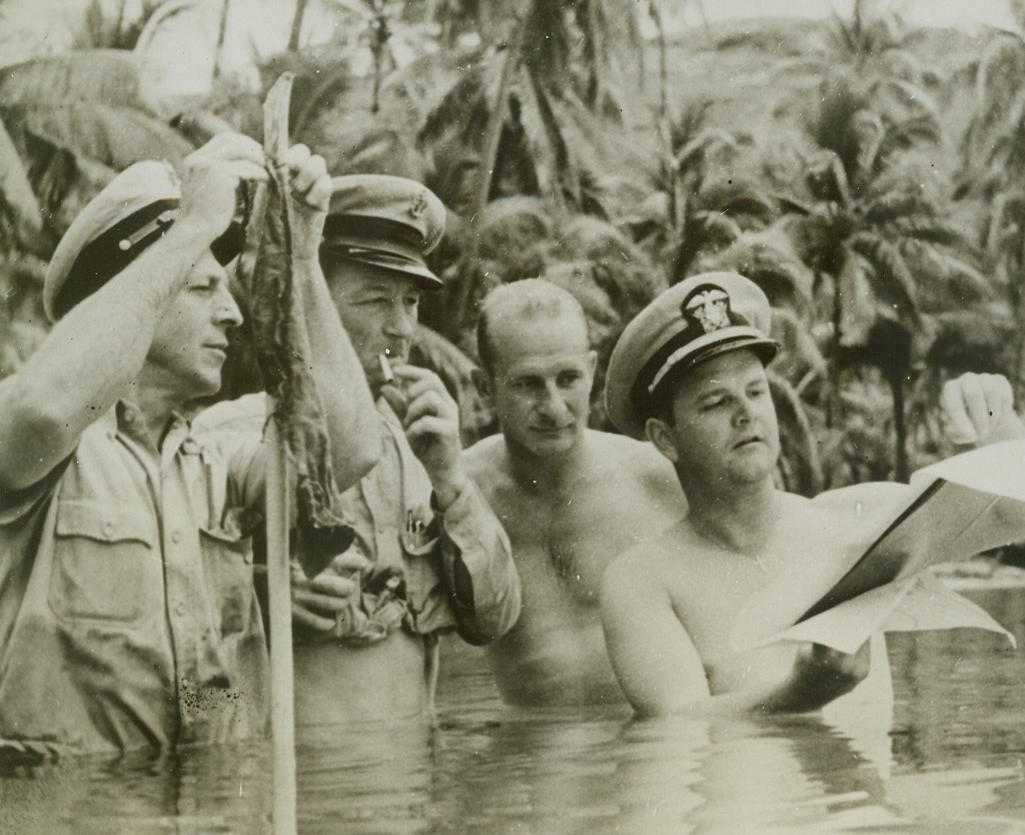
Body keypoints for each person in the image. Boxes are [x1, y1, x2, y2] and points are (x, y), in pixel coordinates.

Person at [0, 135, 379, 756]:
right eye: (203, 288)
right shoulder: (44, 445)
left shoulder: (213, 457)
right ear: (129, 297)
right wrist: (196, 222)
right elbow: (43, 411)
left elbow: (348, 449)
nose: (232, 314)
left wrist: (306, 259)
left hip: (209, 811)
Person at [599, 271, 1025, 717]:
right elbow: (673, 727)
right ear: (665, 439)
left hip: (867, 796)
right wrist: (800, 694)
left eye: (756, 391)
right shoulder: (642, 581)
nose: (746, 413)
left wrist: (998, 420)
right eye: (716, 402)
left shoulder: (851, 524)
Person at [198, 175, 520, 726]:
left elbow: (493, 621)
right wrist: (257, 594)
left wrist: (451, 482)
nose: (402, 328)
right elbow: (183, 667)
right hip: (310, 795)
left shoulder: (421, 447)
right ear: (309, 306)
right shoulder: (231, 436)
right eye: (376, 300)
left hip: (413, 790)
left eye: (411, 302)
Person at [466, 279, 687, 706]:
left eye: (567, 378)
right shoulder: (463, 493)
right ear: (485, 387)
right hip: (534, 760)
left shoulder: (658, 478)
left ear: (591, 370)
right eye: (527, 384)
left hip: (656, 752)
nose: (553, 406)